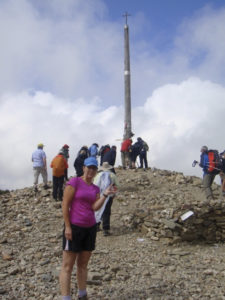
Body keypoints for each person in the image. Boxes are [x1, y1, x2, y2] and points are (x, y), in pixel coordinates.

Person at [59, 157, 117, 300]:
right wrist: (67, 226)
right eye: (89, 167)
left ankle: (82, 294)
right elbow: (65, 205)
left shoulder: (95, 188)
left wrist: (104, 195)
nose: (91, 170)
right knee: (68, 266)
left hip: (90, 228)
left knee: (83, 264)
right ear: (83, 168)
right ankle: (66, 297)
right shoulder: (74, 182)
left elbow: (94, 207)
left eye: (94, 168)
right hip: (74, 227)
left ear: (96, 171)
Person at [94, 162, 119, 236]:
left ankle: (96, 226)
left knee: (98, 209)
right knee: (107, 211)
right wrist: (114, 194)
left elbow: (95, 185)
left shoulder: (98, 175)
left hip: (99, 195)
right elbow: (117, 185)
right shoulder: (112, 175)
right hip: (109, 195)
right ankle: (105, 229)